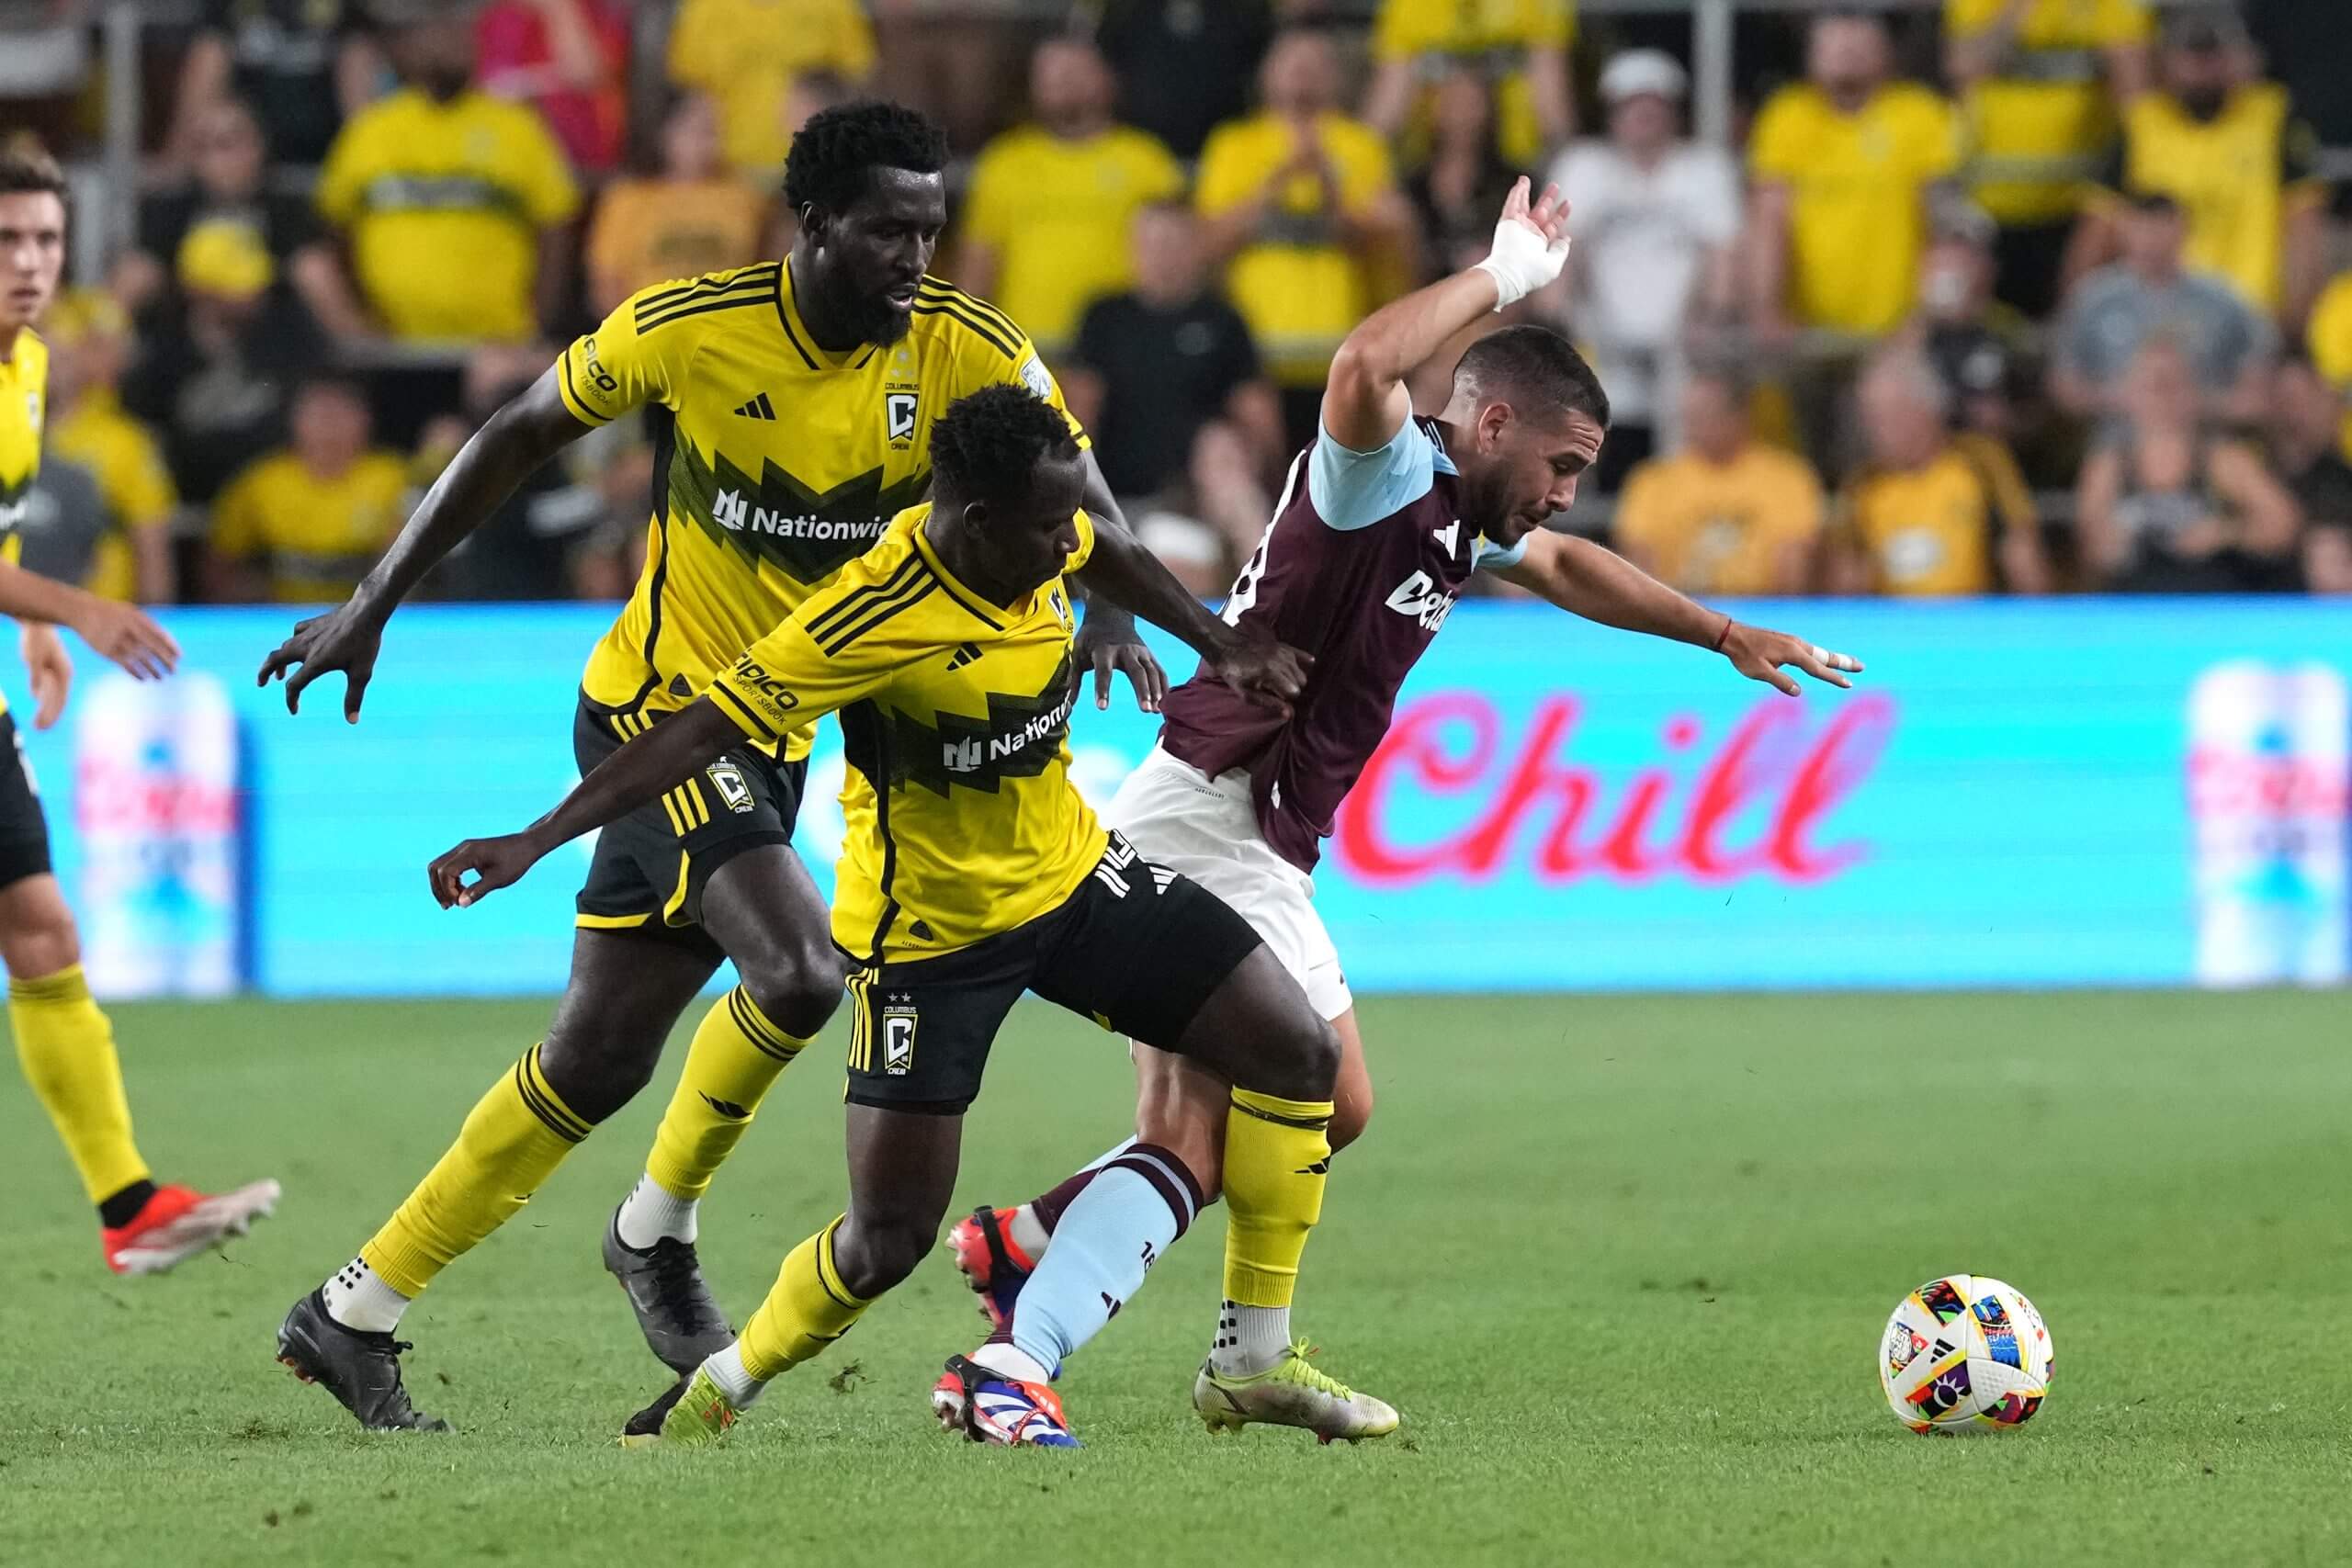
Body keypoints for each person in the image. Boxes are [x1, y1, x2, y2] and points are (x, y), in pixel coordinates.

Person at [262, 103, 1163, 1434]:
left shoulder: (967, 348)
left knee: (596, 1058)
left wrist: (1116, 604)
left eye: (931, 227)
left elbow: (1071, 482)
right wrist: (374, 601)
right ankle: (657, 1227)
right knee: (801, 968)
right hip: (659, 715)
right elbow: (514, 431)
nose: (917, 254)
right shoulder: (690, 325)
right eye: (886, 230)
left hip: (772, 734)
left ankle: (354, 1308)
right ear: (812, 224)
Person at [947, 181, 1864, 1440]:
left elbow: (1563, 566)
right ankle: (1068, 1351)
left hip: (1249, 829)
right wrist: (1504, 274)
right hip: (1215, 816)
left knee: (1306, 1106)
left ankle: (1043, 1243)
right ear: (1488, 421)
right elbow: (1366, 356)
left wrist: (1719, 631)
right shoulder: (1378, 472)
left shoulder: (1456, 512)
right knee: (1263, 1100)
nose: (1563, 492)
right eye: (1559, 464)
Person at [424, 384, 1341, 1450]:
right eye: (1049, 529)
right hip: (930, 943)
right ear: (982, 523)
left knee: (1295, 1051)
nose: (1069, 541)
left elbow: (1109, 551)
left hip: (1072, 878)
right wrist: (535, 838)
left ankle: (1250, 1357)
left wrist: (1211, 641)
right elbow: (694, 731)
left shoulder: (1041, 529)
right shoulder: (869, 614)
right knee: (886, 1239)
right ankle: (722, 1385)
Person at [0, 146, 276, 1273]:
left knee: (43, 931)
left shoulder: (25, 365)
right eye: (7, 242)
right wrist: (78, 605)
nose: (28, 264)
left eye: (45, 242)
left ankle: (130, 1208)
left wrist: (32, 626)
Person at [1197, 28, 1415, 449]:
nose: (1302, 74)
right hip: (1254, 353)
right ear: (1266, 74)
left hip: (1341, 352)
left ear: (1336, 78)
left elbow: (1387, 247)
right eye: (1291, 63)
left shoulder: (1361, 145)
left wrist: (1332, 194)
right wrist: (1275, 185)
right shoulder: (1234, 144)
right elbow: (1207, 246)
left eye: (1316, 65)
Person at [313, 10, 581, 344]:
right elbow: (336, 227)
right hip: (393, 348)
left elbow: (556, 225)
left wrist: (540, 320)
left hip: (498, 344)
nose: (447, 44)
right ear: (404, 48)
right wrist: (362, 315)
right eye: (433, 32)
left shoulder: (517, 127)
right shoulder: (372, 130)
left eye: (457, 32)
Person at [1546, 49, 1739, 487]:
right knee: (1584, 444)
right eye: (1631, 106)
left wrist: (1710, 317)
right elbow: (1562, 253)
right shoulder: (1584, 167)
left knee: (1685, 449)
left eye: (1654, 106)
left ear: (1674, 112)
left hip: (1684, 344)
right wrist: (1560, 327)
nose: (1643, 116)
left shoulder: (1703, 170)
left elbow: (1724, 255)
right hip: (1599, 340)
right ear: (1613, 112)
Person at [2066, 8, 2326, 326]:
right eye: (2190, 56)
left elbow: (2304, 230)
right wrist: (2077, 316)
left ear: (2236, 59)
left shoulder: (2273, 118)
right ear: (2166, 61)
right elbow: (2095, 235)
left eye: (2212, 56)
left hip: (2250, 319)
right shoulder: (2141, 127)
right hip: (2156, 325)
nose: (2201, 70)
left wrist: (2293, 320)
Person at [1065, 202, 1282, 573]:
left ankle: (1271, 592)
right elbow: (1078, 420)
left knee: (1219, 447)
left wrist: (1248, 468)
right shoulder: (1105, 318)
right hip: (1124, 496)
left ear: (1196, 248)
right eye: (1153, 244)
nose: (1164, 255)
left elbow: (1261, 423)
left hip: (1204, 497)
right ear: (1133, 250)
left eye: (1175, 243)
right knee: (1172, 561)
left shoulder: (1222, 320)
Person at [954, 38, 1185, 360]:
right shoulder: (1002, 164)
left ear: (1106, 78)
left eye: (1074, 71)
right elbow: (977, 271)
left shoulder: (1146, 160)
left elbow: (1178, 262)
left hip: (1126, 356)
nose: (1061, 81)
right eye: (1049, 74)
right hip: (1025, 354)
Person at [1746, 13, 1962, 345]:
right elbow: (1769, 220)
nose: (1848, 50)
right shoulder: (1787, 115)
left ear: (1888, 52)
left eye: (1861, 41)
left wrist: (1921, 323)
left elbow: (1943, 224)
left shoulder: (1919, 113)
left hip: (1899, 331)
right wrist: (1766, 310)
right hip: (1801, 329)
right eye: (1834, 42)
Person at [1943, 0, 2151, 319]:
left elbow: (2136, 97)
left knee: (2071, 324)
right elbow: (1966, 63)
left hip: (2075, 210)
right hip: (1989, 208)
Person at [115, 96, 369, 344]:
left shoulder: (287, 212)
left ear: (258, 146)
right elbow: (123, 294)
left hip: (273, 352)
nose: (216, 158)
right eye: (203, 145)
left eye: (227, 143)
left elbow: (327, 297)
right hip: (186, 355)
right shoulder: (172, 212)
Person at [2075, 336, 2300, 592]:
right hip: (2135, 603)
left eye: (2173, 384)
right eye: (2153, 386)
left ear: (2193, 392)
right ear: (2131, 394)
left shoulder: (2224, 459)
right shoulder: (2109, 464)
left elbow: (2284, 527)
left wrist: (2225, 533)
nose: (2163, 397)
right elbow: (2088, 544)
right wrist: (2110, 544)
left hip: (2210, 600)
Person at [2048, 191, 2273, 428]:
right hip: (2118, 444)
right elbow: (2062, 389)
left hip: (2205, 445)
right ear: (2125, 229)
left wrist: (2197, 403)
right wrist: (2120, 398)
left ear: (2184, 230)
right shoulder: (2093, 300)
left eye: (2161, 227)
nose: (2152, 240)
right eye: (2143, 227)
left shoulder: (2226, 302)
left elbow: (2257, 397)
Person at [1833, 349, 2048, 595]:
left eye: (1884, 417)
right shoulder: (1863, 482)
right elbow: (1848, 574)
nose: (1874, 432)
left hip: (1976, 619)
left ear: (1923, 411)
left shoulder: (1980, 461)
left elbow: (2021, 549)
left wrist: (2031, 619)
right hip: (1893, 624)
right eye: (1869, 419)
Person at [1612, 367, 1825, 596]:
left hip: (1763, 613)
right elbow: (1638, 565)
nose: (1693, 427)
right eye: (1689, 416)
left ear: (1740, 416)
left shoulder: (1788, 478)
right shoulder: (1653, 481)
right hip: (1676, 617)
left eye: (1705, 414)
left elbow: (1793, 570)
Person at [208, 378, 407, 604]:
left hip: (373, 618)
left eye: (341, 415)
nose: (329, 428)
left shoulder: (394, 478)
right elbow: (219, 564)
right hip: (280, 618)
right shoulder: (262, 481)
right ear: (294, 422)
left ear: (366, 420)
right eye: (319, 416)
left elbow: (410, 565)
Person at [39, 292, 176, 604]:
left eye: (61, 357)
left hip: (100, 624)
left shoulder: (124, 442)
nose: (49, 367)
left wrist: (157, 622)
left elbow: (152, 547)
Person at [585, 93, 773, 319]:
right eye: (696, 130)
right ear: (666, 132)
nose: (707, 143)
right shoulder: (628, 199)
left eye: (713, 132)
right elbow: (607, 284)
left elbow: (765, 273)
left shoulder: (745, 197)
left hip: (725, 330)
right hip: (649, 329)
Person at [665, 0, 875, 183]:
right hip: (730, 174)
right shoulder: (704, 7)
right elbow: (694, 97)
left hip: (814, 173)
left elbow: (854, 86)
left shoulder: (834, 4)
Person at [165, 0, 381, 170]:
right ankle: (181, 164)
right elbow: (208, 56)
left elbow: (363, 55)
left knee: (356, 55)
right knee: (210, 55)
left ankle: (368, 163)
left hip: (326, 134)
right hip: (249, 139)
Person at [1364, 0, 1573, 171]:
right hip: (1426, 159)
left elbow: (1552, 98)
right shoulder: (1409, 5)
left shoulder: (1536, 4)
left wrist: (1566, 157)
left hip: (1520, 155)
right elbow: (1389, 101)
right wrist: (1359, 154)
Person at [1092, 0, 1275, 162]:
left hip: (1227, 153)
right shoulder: (1126, 12)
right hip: (1142, 153)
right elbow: (1105, 73)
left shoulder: (1242, 11)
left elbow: (1265, 72)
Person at [474, 0, 632, 176]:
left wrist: (559, 9)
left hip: (581, 162)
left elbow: (586, 73)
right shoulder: (501, 15)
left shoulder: (598, 10)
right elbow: (490, 88)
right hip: (512, 159)